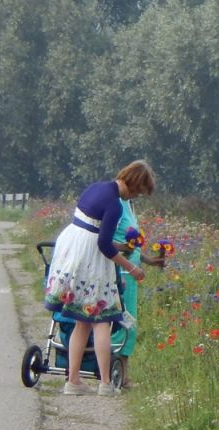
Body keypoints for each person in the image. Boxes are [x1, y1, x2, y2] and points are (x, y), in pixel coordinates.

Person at [44, 160, 156, 396]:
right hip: (89, 262)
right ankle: (105, 383)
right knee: (101, 320)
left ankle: (73, 380)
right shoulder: (115, 205)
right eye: (137, 191)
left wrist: (121, 247)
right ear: (133, 184)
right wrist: (131, 268)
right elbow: (103, 244)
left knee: (81, 321)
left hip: (71, 251)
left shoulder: (95, 188)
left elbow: (92, 229)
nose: (133, 197)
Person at [110, 197, 165, 388]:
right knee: (119, 323)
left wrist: (150, 260)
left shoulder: (129, 205)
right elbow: (105, 241)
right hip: (120, 273)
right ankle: (113, 372)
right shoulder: (115, 205)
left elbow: (133, 246)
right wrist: (125, 249)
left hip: (131, 275)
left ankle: (124, 375)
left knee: (129, 324)